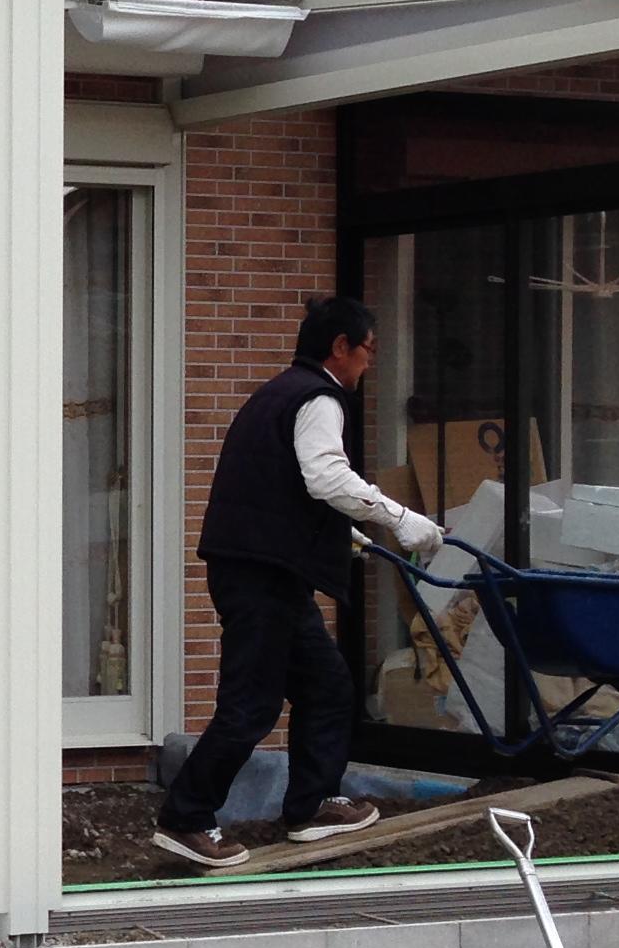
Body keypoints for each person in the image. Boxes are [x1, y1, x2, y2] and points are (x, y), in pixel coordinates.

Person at [155, 295, 443, 870]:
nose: (369, 363)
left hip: (265, 570)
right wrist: (400, 520)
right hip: (263, 576)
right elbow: (326, 477)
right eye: (367, 350)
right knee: (250, 705)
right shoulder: (318, 397)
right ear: (340, 347)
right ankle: (186, 818)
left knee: (327, 687)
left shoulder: (278, 394)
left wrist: (346, 536)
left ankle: (311, 805)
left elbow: (283, 486)